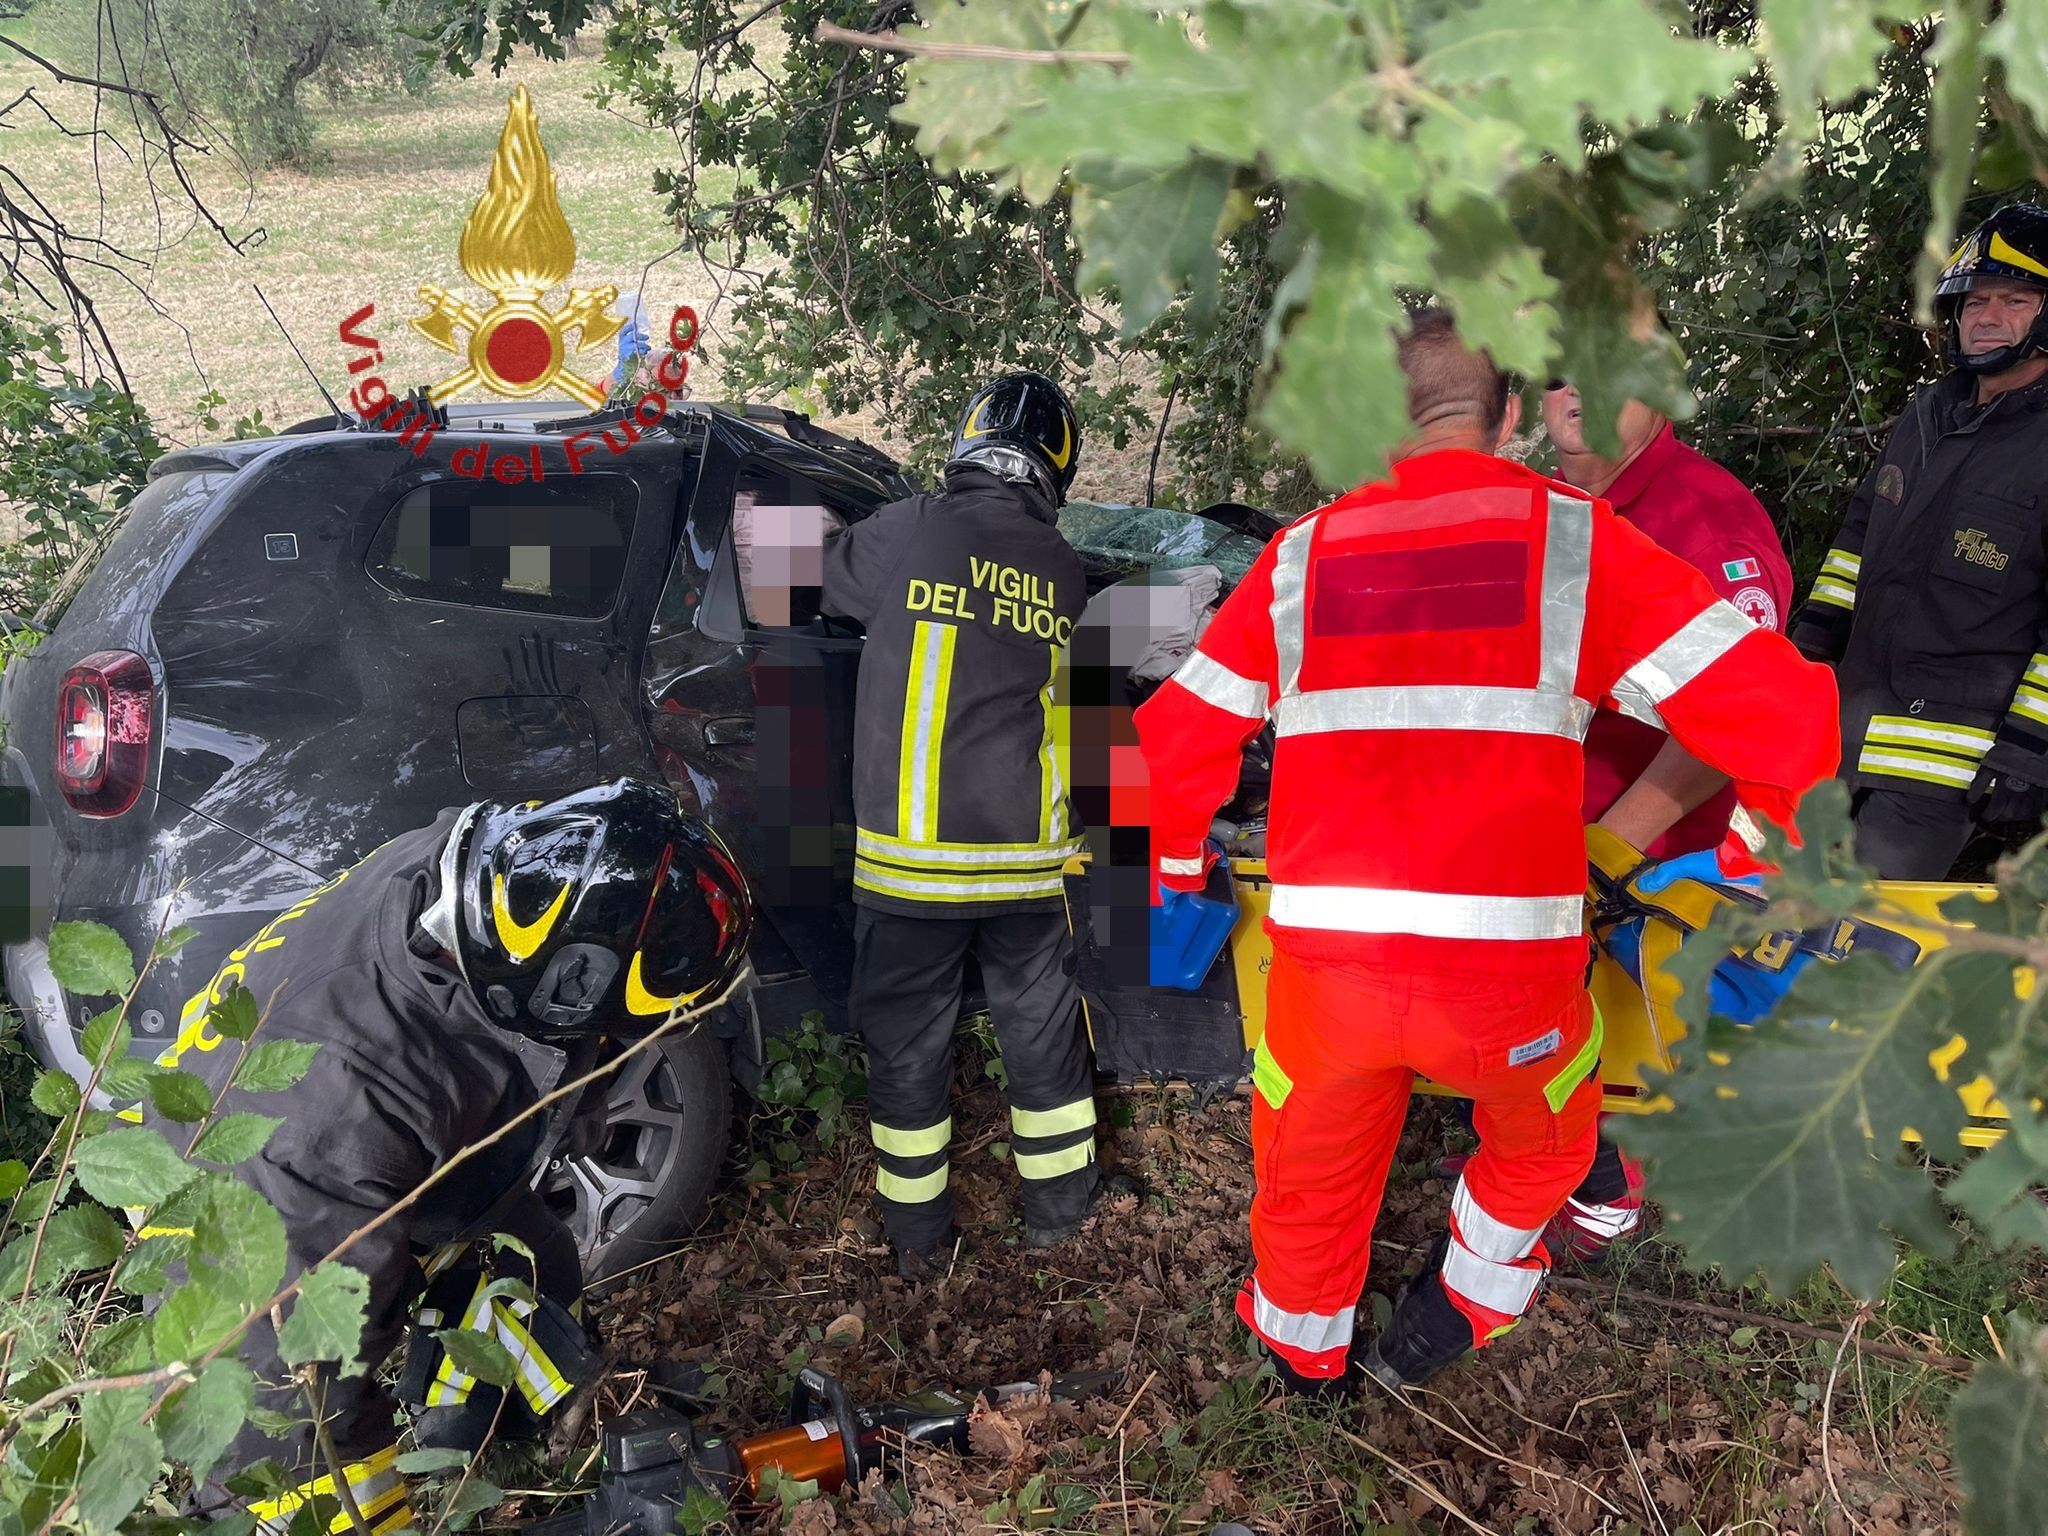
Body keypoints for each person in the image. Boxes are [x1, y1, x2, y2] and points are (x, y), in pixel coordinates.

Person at [1137, 310, 1839, 1393]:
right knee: (1547, 1141)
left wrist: (1178, 882)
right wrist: (1751, 872)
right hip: (1511, 986)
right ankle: (1460, 1304)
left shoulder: (1298, 557)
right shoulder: (1576, 542)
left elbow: (1167, 744)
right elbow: (1788, 720)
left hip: (1328, 980)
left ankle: (1302, 1360)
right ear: (1510, 416)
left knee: (1308, 1165)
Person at [152, 778, 752, 1525]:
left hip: (368, 1108)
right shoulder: (333, 1128)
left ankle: (508, 1446)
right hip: (231, 1194)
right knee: (302, 1450)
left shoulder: (498, 873)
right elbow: (298, 1404)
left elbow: (579, 1037)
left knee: (537, 1266)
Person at [821, 371, 1130, 1279]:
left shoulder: (911, 528)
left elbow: (800, 578)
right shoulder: (1063, 569)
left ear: (968, 440)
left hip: (910, 871)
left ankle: (921, 1247)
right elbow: (1091, 718)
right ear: (1056, 468)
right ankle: (1063, 1219)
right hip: (1029, 868)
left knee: (908, 1055)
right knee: (1044, 1044)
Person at [1526, 377, 1794, 1263]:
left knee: (1622, 1021)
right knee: (1547, 1014)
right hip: (1550, 823)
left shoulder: (1707, 521)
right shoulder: (1547, 508)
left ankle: (1613, 1190)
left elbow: (1742, 719)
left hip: (1646, 846)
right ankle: (1545, 1156)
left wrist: (1612, 842)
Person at [1791, 202, 2048, 878]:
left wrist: (2028, 752)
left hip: (1942, 768)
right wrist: (1809, 647)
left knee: (1854, 932)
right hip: (1838, 738)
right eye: (1973, 302)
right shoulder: (1929, 413)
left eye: (2014, 300)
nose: (1986, 317)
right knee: (1771, 910)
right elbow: (1857, 538)